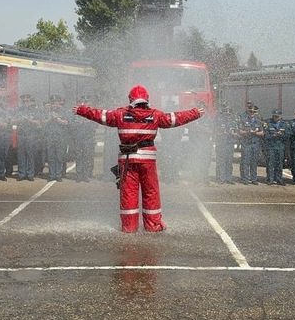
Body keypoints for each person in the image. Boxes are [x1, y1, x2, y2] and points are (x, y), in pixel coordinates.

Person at [73, 85, 203, 233]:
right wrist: (195, 113)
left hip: (127, 161)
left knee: (128, 193)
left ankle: (129, 227)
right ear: (147, 99)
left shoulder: (120, 114)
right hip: (148, 161)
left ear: (130, 99)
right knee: (151, 192)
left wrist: (81, 110)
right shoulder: (155, 115)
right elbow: (174, 119)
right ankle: (153, 226)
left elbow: (100, 115)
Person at [238, 104, 263, 184]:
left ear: (256, 112)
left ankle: (253, 179)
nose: (252, 113)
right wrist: (248, 132)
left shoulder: (259, 121)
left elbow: (262, 133)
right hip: (246, 143)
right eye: (250, 111)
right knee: (245, 161)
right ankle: (245, 179)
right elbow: (240, 131)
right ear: (248, 112)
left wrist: (256, 133)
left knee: (254, 162)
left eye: (253, 112)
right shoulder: (243, 120)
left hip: (255, 143)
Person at [264, 109, 288, 185]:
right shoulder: (269, 124)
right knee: (270, 163)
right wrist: (273, 135)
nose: (275, 118)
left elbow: (288, 135)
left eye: (277, 116)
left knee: (279, 164)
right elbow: (266, 135)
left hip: (280, 146)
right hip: (271, 146)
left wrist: (282, 135)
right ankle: (270, 179)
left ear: (280, 117)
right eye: (274, 116)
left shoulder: (284, 124)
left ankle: (279, 179)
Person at [214, 104, 237, 184]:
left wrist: (233, 133)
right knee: (221, 161)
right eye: (226, 111)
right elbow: (214, 132)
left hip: (230, 143)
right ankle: (221, 178)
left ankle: (229, 179)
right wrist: (221, 133)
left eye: (229, 111)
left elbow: (238, 133)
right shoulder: (218, 121)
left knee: (229, 161)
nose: (227, 113)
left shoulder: (234, 122)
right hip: (221, 143)